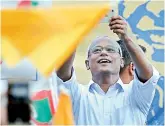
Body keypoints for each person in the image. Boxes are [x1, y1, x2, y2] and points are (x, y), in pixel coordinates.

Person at [56, 15, 160, 125]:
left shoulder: (135, 95)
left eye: (111, 50)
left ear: (121, 62)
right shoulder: (78, 96)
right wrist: (75, 38)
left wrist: (125, 38)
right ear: (87, 64)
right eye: (96, 50)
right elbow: (62, 75)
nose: (104, 53)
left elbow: (148, 74)